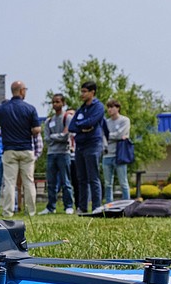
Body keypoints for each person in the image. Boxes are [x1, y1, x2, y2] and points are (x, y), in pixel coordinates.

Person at [0, 81, 40, 218]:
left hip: (9, 150)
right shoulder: (30, 108)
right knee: (28, 182)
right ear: (22, 91)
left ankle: (8, 212)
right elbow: (37, 129)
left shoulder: (2, 109)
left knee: (9, 182)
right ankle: (30, 212)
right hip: (26, 148)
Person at [68, 81, 105, 213]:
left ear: (92, 92)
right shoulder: (81, 109)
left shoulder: (99, 107)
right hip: (80, 146)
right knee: (81, 178)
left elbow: (92, 121)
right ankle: (82, 207)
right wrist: (83, 127)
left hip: (93, 144)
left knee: (93, 177)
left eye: (84, 91)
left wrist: (81, 124)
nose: (82, 94)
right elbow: (72, 126)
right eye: (81, 91)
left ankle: (96, 207)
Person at [39, 93, 74, 215]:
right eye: (53, 102)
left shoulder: (67, 118)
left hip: (64, 153)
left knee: (66, 181)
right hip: (51, 153)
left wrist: (57, 136)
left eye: (57, 102)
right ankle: (50, 207)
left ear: (63, 103)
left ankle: (68, 206)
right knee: (51, 182)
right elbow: (47, 138)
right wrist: (59, 136)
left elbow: (66, 136)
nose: (55, 104)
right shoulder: (49, 120)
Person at [102, 98, 131, 202]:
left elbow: (120, 134)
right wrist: (115, 136)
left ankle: (126, 203)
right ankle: (109, 204)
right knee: (108, 183)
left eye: (112, 107)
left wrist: (110, 136)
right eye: (108, 107)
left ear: (118, 108)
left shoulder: (125, 120)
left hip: (120, 155)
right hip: (107, 155)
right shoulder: (105, 122)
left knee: (123, 182)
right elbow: (102, 137)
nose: (109, 110)